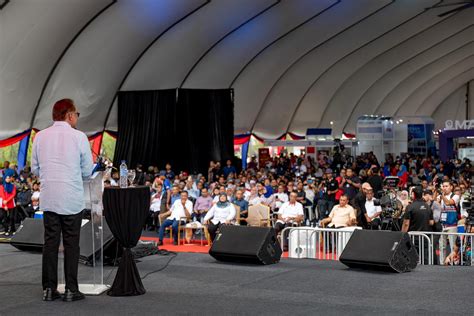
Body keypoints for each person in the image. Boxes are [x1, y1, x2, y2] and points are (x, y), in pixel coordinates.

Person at [32, 99, 93, 302]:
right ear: (69, 115)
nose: (77, 117)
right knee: (71, 244)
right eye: (76, 114)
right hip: (71, 198)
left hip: (50, 198)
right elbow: (86, 171)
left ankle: (48, 289)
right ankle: (71, 289)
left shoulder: (39, 137)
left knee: (50, 243)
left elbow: (35, 169)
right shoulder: (79, 137)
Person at [402, 187, 434, 264]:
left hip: (414, 237)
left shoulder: (410, 207)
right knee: (425, 258)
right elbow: (431, 222)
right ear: (422, 195)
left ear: (413, 195)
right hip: (426, 236)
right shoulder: (427, 206)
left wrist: (402, 234)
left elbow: (406, 224)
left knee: (413, 258)